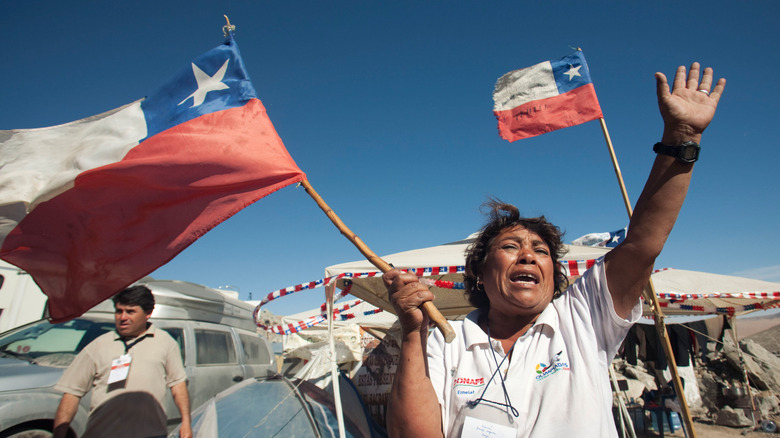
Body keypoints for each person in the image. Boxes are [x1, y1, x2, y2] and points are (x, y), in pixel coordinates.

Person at [384, 62, 725, 437]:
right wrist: (413, 334)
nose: (528, 255)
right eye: (510, 246)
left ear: (554, 274)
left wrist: (682, 137)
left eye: (541, 251)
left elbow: (642, 244)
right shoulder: (449, 341)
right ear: (480, 273)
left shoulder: (582, 320)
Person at [52, 285, 193, 438]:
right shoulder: (98, 346)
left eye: (130, 311)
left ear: (148, 313)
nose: (123, 317)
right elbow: (72, 393)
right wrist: (59, 433)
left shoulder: (165, 342)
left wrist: (186, 422)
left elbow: (177, 385)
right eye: (119, 311)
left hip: (151, 434)